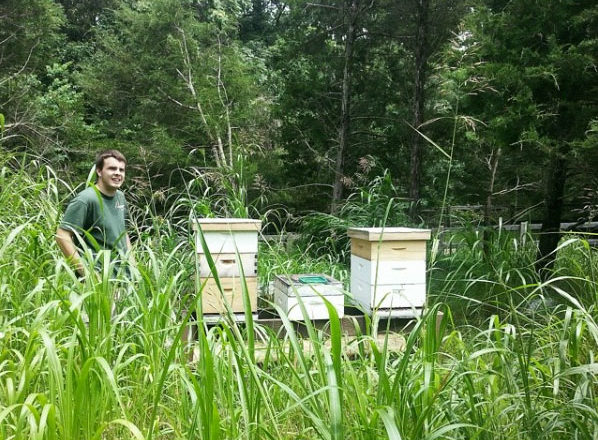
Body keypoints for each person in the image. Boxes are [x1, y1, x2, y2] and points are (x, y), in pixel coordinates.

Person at [56, 149, 133, 278]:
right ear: (99, 171)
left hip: (124, 278)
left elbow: (122, 233)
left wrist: (133, 268)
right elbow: (62, 236)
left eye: (121, 170)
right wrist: (89, 275)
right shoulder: (86, 199)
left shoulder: (120, 197)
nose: (117, 173)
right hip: (100, 281)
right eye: (112, 169)